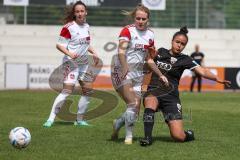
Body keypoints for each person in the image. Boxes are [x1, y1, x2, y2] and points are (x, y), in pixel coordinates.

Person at [139, 26, 231, 146]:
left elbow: (202, 71)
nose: (179, 45)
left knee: (178, 136)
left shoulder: (185, 59)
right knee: (150, 103)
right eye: (177, 42)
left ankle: (189, 134)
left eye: (183, 44)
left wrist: (218, 79)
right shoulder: (160, 52)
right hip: (154, 90)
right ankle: (147, 138)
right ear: (172, 41)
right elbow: (147, 68)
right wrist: (144, 83)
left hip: (171, 97)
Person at [110, 4, 168, 145]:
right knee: (133, 103)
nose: (140, 21)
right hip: (121, 71)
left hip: (138, 74)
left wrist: (160, 74)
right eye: (138, 18)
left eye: (143, 19)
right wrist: (125, 69)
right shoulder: (127, 31)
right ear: (134, 18)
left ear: (148, 19)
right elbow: (121, 52)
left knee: (135, 110)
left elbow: (148, 58)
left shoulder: (150, 35)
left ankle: (118, 123)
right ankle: (129, 137)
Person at [43, 1, 99, 128]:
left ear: (86, 12)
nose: (80, 13)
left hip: (84, 62)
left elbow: (85, 43)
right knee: (67, 90)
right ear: (74, 13)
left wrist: (94, 52)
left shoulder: (86, 26)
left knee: (88, 90)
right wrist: (70, 53)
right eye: (77, 11)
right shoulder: (68, 27)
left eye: (82, 11)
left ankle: (79, 120)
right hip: (71, 62)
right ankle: (50, 119)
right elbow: (59, 45)